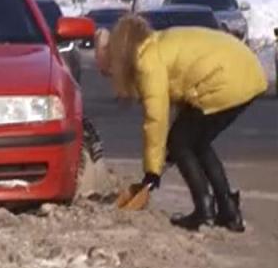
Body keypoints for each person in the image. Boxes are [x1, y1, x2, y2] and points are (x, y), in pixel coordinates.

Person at [94, 16, 267, 232]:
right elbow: (181, 96)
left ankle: (205, 211)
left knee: (181, 141)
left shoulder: (145, 61)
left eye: (108, 71)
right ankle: (227, 209)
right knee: (195, 141)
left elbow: (156, 118)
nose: (110, 76)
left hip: (229, 79)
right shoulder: (152, 46)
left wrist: (152, 171)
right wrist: (163, 157)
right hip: (242, 71)